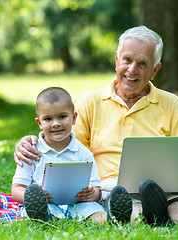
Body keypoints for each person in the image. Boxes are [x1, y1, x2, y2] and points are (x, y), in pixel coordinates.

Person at [13, 26, 178, 226]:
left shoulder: (172, 104)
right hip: (114, 190)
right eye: (127, 60)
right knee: (128, 208)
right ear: (116, 60)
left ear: (155, 70)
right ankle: (157, 216)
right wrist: (30, 141)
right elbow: (63, 144)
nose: (132, 70)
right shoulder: (90, 102)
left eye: (143, 64)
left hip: (167, 187)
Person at [11, 87, 109, 224]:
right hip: (44, 205)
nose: (56, 124)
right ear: (39, 123)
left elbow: (96, 190)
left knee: (98, 214)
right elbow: (16, 189)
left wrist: (92, 194)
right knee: (35, 212)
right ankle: (46, 218)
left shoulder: (83, 153)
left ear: (74, 118)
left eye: (62, 117)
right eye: (48, 119)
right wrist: (34, 197)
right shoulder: (31, 151)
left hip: (78, 204)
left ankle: (114, 217)